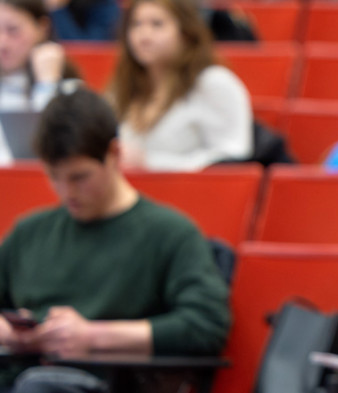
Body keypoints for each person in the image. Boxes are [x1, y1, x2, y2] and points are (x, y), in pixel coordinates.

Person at [0, 87, 231, 393]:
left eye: (80, 177)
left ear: (114, 155)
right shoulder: (29, 232)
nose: (66, 191)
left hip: (105, 381)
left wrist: (93, 336)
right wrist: (12, 333)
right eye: (55, 176)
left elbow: (207, 324)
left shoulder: (169, 233)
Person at [107, 0, 253, 171]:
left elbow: (232, 160)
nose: (143, 35)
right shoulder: (122, 86)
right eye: (136, 24)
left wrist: (150, 162)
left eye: (157, 24)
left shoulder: (214, 83)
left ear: (185, 32)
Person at [0, 0, 76, 166]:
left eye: (13, 30)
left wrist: (47, 86)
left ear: (42, 28)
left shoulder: (69, 89)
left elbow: (55, 152)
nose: (2, 42)